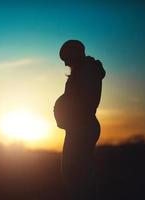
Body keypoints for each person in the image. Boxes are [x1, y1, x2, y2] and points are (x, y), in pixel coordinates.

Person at [55, 40, 105, 200]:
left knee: (75, 175)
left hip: (82, 128)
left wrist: (64, 108)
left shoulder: (87, 72)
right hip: (80, 127)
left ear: (74, 55)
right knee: (76, 174)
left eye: (66, 59)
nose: (65, 65)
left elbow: (83, 103)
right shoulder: (85, 71)